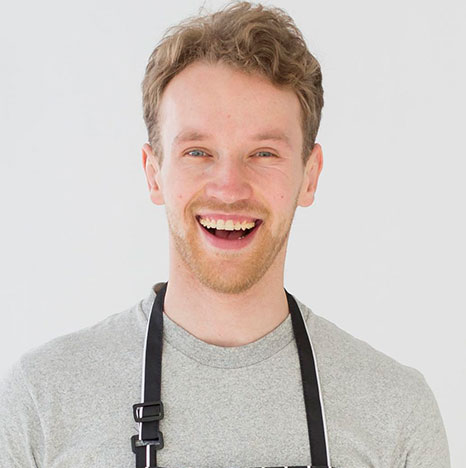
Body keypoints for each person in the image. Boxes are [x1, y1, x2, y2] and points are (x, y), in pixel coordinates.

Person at [0, 2, 450, 467]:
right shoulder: (42, 402)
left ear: (310, 176)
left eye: (264, 153)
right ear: (153, 174)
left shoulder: (397, 413)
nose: (230, 188)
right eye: (198, 152)